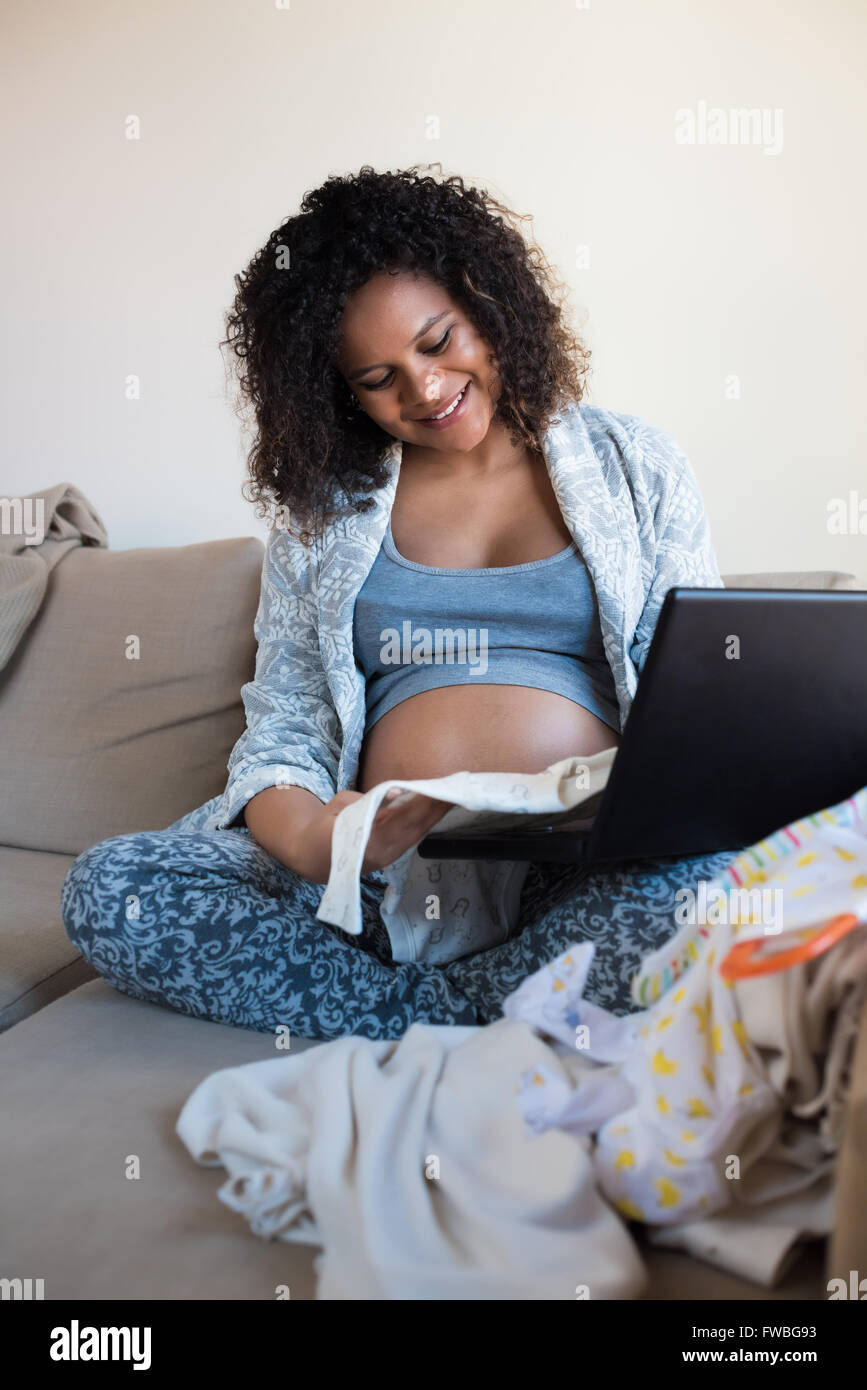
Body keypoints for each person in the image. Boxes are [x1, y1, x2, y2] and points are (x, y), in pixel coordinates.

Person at [61, 165, 737, 1039]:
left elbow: (699, 695)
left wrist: (647, 801)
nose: (422, 388)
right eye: (377, 377)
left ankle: (411, 1018)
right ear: (337, 392)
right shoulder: (324, 513)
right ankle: (480, 1012)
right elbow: (288, 719)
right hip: (376, 878)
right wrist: (311, 840)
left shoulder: (634, 465)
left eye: (436, 340)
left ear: (489, 303)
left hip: (578, 862)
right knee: (114, 888)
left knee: (729, 889)